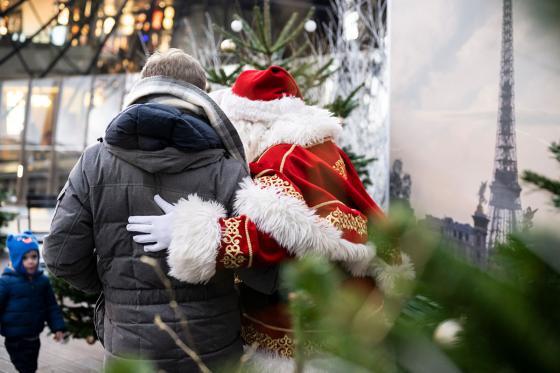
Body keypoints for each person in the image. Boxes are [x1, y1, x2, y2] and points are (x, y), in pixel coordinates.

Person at [127, 66, 414, 368]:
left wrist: (193, 233)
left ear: (249, 122)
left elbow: (280, 232)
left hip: (298, 326)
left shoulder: (279, 157)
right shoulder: (323, 149)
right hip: (350, 311)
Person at [43, 49, 248, 372]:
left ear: (143, 88)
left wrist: (116, 286)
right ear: (200, 96)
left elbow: (59, 254)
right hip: (214, 349)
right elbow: (254, 260)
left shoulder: (95, 162)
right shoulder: (228, 169)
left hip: (130, 352)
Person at [0, 231, 66, 373]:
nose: (31, 261)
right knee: (25, 367)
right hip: (14, 338)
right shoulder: (6, 282)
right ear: (16, 259)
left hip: (34, 336)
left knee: (31, 366)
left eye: (34, 256)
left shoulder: (42, 281)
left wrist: (58, 327)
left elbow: (51, 306)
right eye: (25, 258)